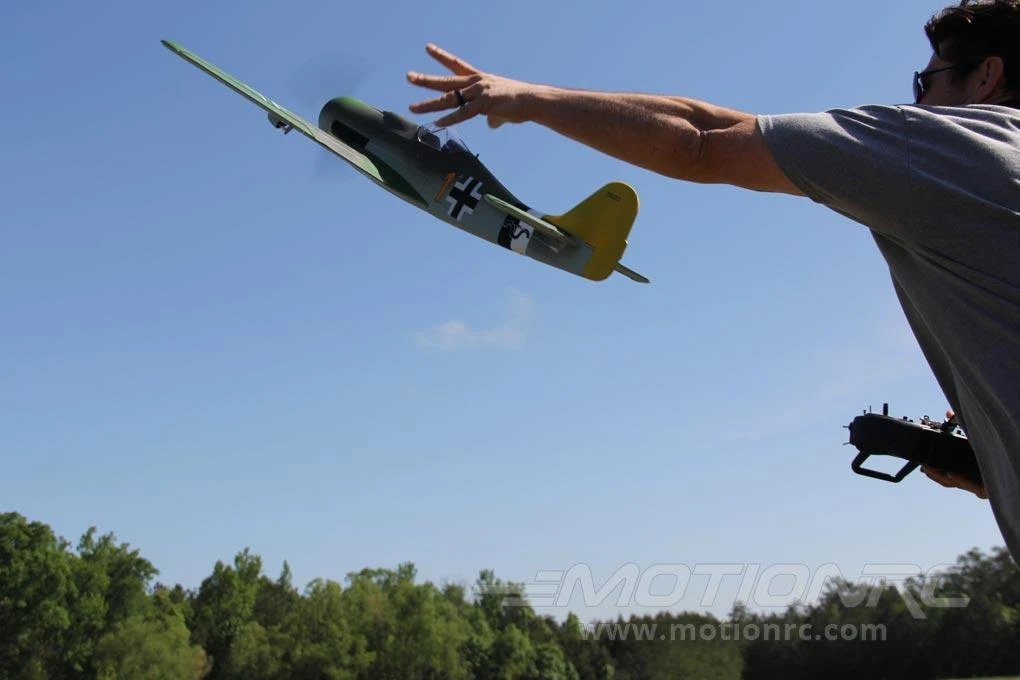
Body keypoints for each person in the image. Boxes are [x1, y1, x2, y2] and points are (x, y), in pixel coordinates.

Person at [406, 0, 1020, 560]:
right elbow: (731, 123)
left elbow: (701, 145)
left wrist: (528, 99)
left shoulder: (952, 148)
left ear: (986, 76)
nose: (915, 102)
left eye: (927, 81)